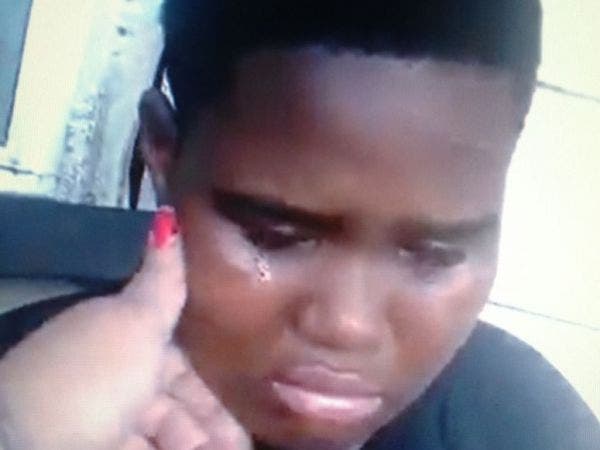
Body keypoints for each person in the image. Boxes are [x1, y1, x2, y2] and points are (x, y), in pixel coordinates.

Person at [1, 0, 599, 449]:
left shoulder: (523, 424)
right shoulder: (27, 404)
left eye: (436, 254)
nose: (348, 325)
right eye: (274, 238)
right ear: (163, 153)